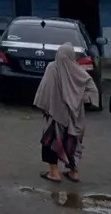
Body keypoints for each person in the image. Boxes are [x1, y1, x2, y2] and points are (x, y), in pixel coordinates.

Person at [34, 42, 99, 183]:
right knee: (72, 143)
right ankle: (73, 172)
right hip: (74, 117)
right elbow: (93, 91)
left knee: (51, 142)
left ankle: (54, 173)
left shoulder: (52, 68)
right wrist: (78, 100)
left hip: (55, 115)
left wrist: (46, 106)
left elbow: (43, 90)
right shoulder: (79, 71)